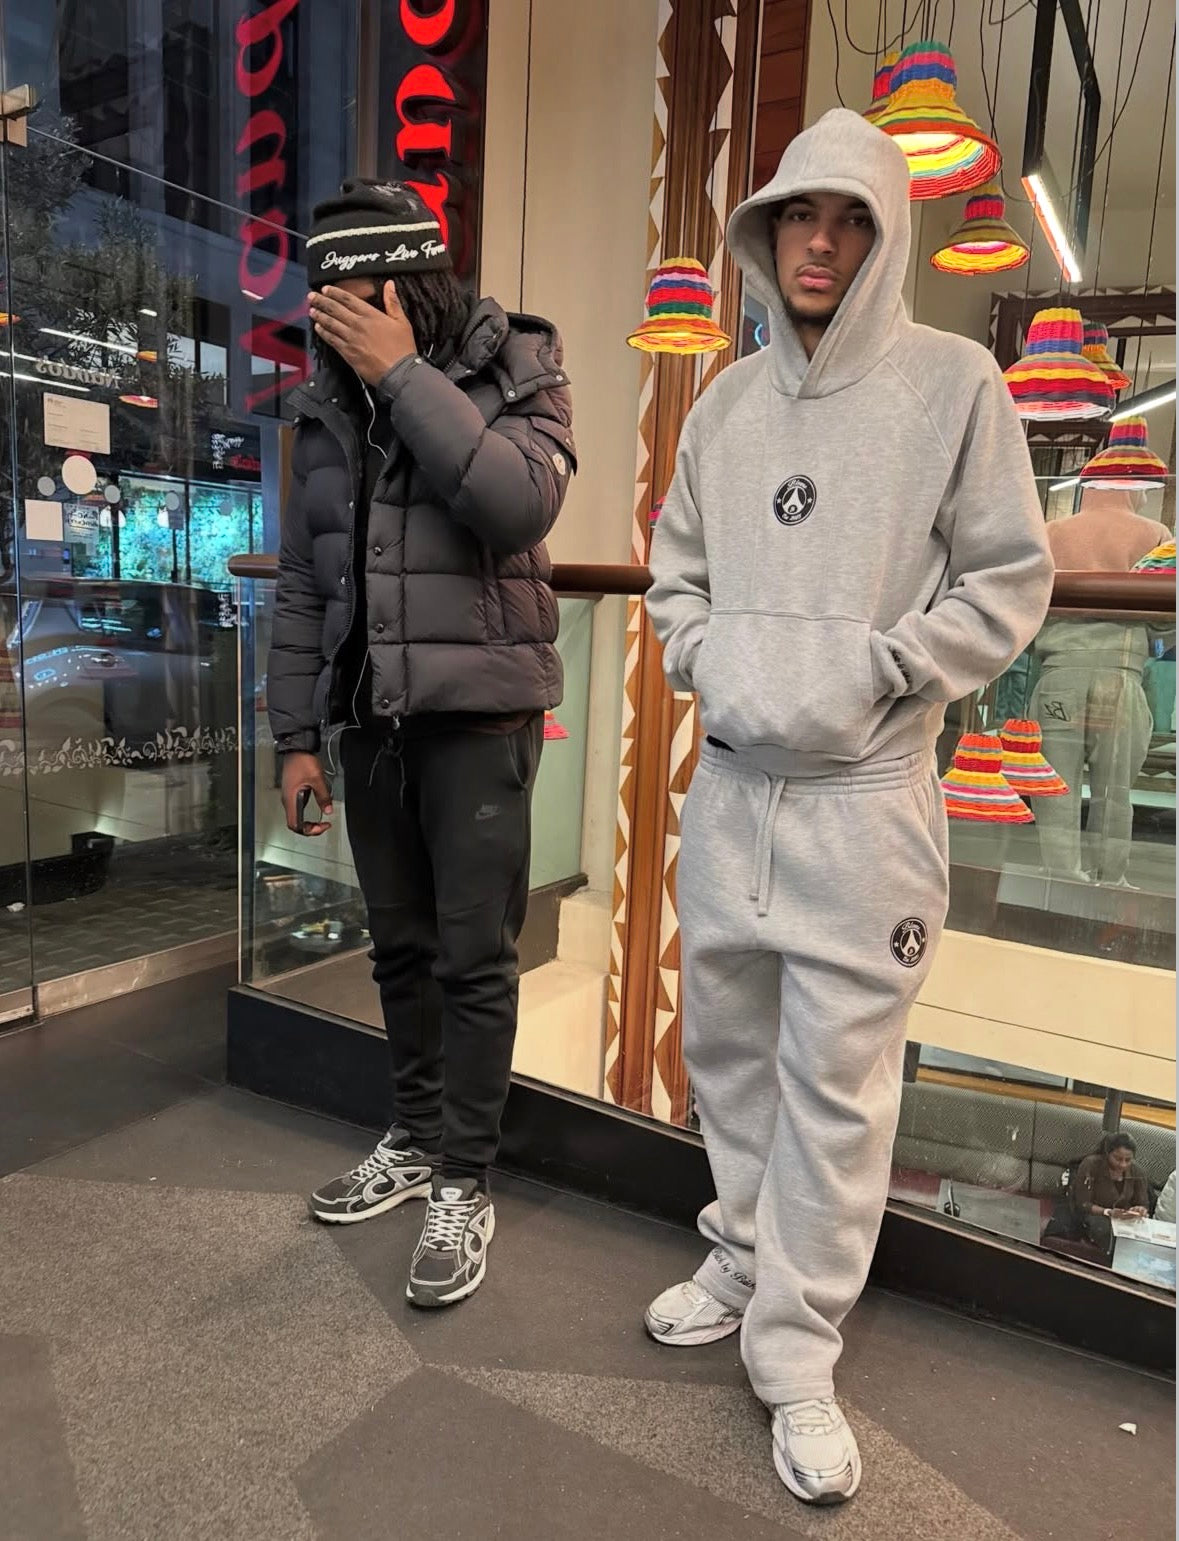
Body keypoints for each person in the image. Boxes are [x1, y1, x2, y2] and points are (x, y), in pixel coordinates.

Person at [643, 110, 1053, 1505]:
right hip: (732, 793)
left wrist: (883, 671)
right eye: (797, 217)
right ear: (764, 232)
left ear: (888, 236)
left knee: (837, 1090)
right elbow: (675, 574)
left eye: (850, 219)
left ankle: (798, 1350)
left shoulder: (954, 384)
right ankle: (740, 1253)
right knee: (727, 1055)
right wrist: (710, 656)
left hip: (867, 805)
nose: (818, 244)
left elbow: (1006, 579)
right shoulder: (722, 404)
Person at [268, 178, 574, 1308]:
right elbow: (303, 581)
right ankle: (413, 1133)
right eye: (326, 304)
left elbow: (519, 506)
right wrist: (295, 735)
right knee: (396, 946)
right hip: (370, 719)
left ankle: (464, 1177)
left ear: (413, 286)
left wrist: (403, 375)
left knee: (473, 956)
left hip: (479, 716)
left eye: (361, 298)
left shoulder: (520, 364)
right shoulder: (321, 409)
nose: (340, 322)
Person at [1071, 1134, 1151, 1254]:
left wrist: (1140, 1209)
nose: (1123, 1164)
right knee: (1108, 1237)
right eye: (1118, 1159)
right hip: (1096, 1216)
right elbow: (1083, 1204)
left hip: (1124, 1220)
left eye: (1128, 1160)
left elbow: (1143, 1203)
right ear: (1107, 1153)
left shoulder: (1137, 1171)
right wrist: (1108, 1212)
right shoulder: (1091, 1164)